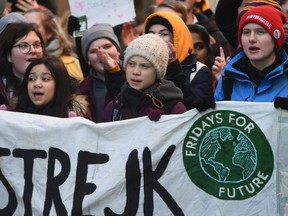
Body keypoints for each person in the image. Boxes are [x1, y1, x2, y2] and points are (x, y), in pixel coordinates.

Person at [102, 33, 187, 122]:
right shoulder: (113, 108)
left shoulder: (174, 109)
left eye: (144, 66)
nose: (135, 72)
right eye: (131, 64)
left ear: (157, 72)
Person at [214, 5, 288, 103]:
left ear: (276, 38)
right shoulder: (229, 76)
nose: (251, 39)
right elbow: (221, 115)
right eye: (246, 32)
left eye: (261, 32)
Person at [143, 11, 214, 109]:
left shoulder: (199, 70)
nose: (156, 38)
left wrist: (174, 69)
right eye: (151, 34)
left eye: (163, 34)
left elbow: (196, 107)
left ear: (176, 38)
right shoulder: (141, 66)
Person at [15, 56, 90, 118]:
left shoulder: (76, 115)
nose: (36, 84)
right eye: (31, 79)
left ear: (59, 84)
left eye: (45, 79)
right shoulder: (17, 113)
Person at [79, 23, 125, 123]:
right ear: (87, 60)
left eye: (107, 47)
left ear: (118, 51)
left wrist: (114, 73)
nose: (103, 54)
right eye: (94, 51)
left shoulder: (136, 77)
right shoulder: (82, 90)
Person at [24, 8, 84, 82]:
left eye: (33, 26)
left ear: (49, 32)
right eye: (23, 27)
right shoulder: (19, 63)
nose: (27, 31)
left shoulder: (73, 65)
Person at [0, 22, 45, 109]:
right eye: (24, 46)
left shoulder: (57, 82)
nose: (33, 50)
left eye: (37, 45)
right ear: (8, 55)